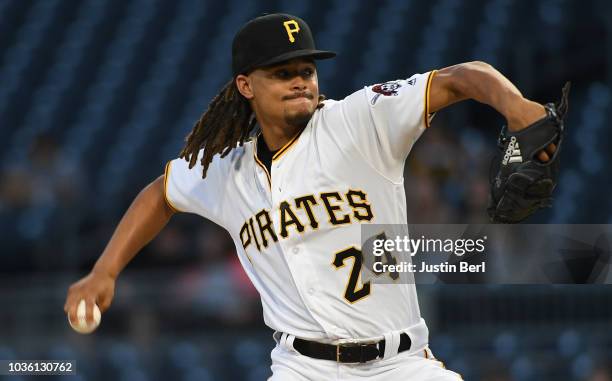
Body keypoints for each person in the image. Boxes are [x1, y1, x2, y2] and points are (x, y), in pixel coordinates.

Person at [65, 13, 557, 380]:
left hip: (401, 364)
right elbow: (161, 194)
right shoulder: (224, 169)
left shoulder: (359, 121)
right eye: (282, 72)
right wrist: (105, 270)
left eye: (307, 68)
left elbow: (459, 77)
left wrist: (516, 107)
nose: (300, 79)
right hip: (303, 368)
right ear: (245, 85)